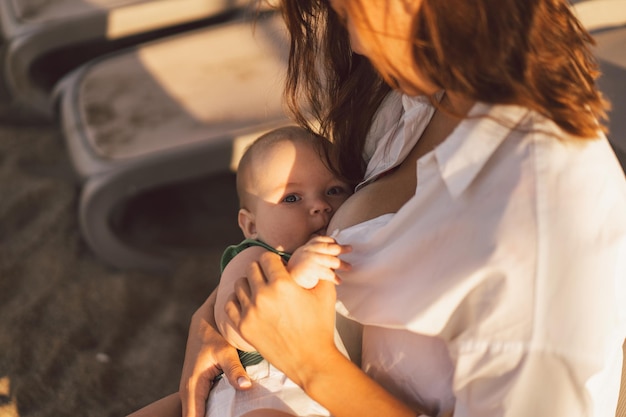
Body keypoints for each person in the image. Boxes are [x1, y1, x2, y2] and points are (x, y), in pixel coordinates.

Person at [142, 0, 626, 416]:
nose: (349, 35)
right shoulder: (421, 98)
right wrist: (216, 313)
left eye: (353, 4)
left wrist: (314, 364)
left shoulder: (541, 228)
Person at [128, 125, 353, 417]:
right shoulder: (255, 257)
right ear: (251, 226)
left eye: (334, 190)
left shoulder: (344, 246)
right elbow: (235, 329)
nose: (321, 206)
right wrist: (293, 279)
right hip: (259, 390)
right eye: (292, 198)